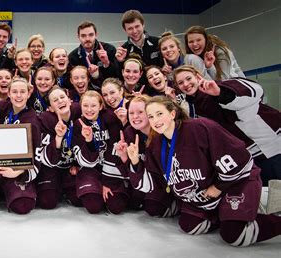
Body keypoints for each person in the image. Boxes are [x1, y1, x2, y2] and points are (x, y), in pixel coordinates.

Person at [127, 95, 281, 246]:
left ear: (172, 113)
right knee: (191, 225)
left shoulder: (199, 128)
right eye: (151, 116)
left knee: (234, 234)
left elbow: (238, 158)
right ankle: (229, 214)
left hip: (234, 182)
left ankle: (247, 214)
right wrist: (134, 162)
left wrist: (218, 187)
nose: (155, 120)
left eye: (159, 114)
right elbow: (153, 185)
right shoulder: (155, 145)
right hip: (203, 198)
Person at [174, 65, 281, 185]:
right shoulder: (192, 107)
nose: (186, 84)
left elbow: (254, 92)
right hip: (248, 156)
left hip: (271, 147)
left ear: (198, 77)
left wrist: (220, 93)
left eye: (189, 78)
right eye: (181, 82)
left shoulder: (220, 86)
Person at [0, 77, 42, 214]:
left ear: (28, 94)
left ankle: (12, 190)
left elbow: (37, 155)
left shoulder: (33, 119)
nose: (18, 95)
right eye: (15, 91)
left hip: (17, 170)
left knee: (22, 205)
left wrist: (16, 172)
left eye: (22, 92)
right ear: (9, 93)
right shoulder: (2, 107)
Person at [115, 95, 178, 215]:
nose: (135, 117)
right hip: (147, 182)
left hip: (169, 184)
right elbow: (129, 174)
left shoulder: (163, 133)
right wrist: (124, 157)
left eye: (140, 112)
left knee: (154, 207)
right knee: (130, 201)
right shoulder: (129, 132)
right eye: (131, 113)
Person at [72, 91, 125, 214]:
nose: (89, 109)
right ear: (80, 106)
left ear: (100, 106)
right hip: (90, 169)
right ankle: (92, 187)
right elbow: (86, 162)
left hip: (110, 169)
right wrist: (89, 141)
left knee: (116, 206)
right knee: (93, 206)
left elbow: (115, 150)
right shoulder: (78, 124)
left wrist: (107, 181)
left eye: (93, 105)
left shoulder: (110, 118)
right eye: (85, 105)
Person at [36, 86, 82, 208]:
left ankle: (65, 188)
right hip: (51, 168)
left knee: (79, 200)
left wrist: (78, 164)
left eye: (62, 97)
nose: (60, 101)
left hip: (71, 167)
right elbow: (46, 159)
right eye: (55, 100)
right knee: (47, 202)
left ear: (70, 100)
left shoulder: (80, 111)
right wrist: (58, 138)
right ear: (50, 108)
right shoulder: (45, 120)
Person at [69, 21, 118, 88]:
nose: (87, 39)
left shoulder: (109, 49)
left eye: (91, 35)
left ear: (96, 34)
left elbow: (117, 76)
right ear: (78, 37)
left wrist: (107, 63)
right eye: (83, 36)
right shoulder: (73, 57)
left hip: (108, 91)